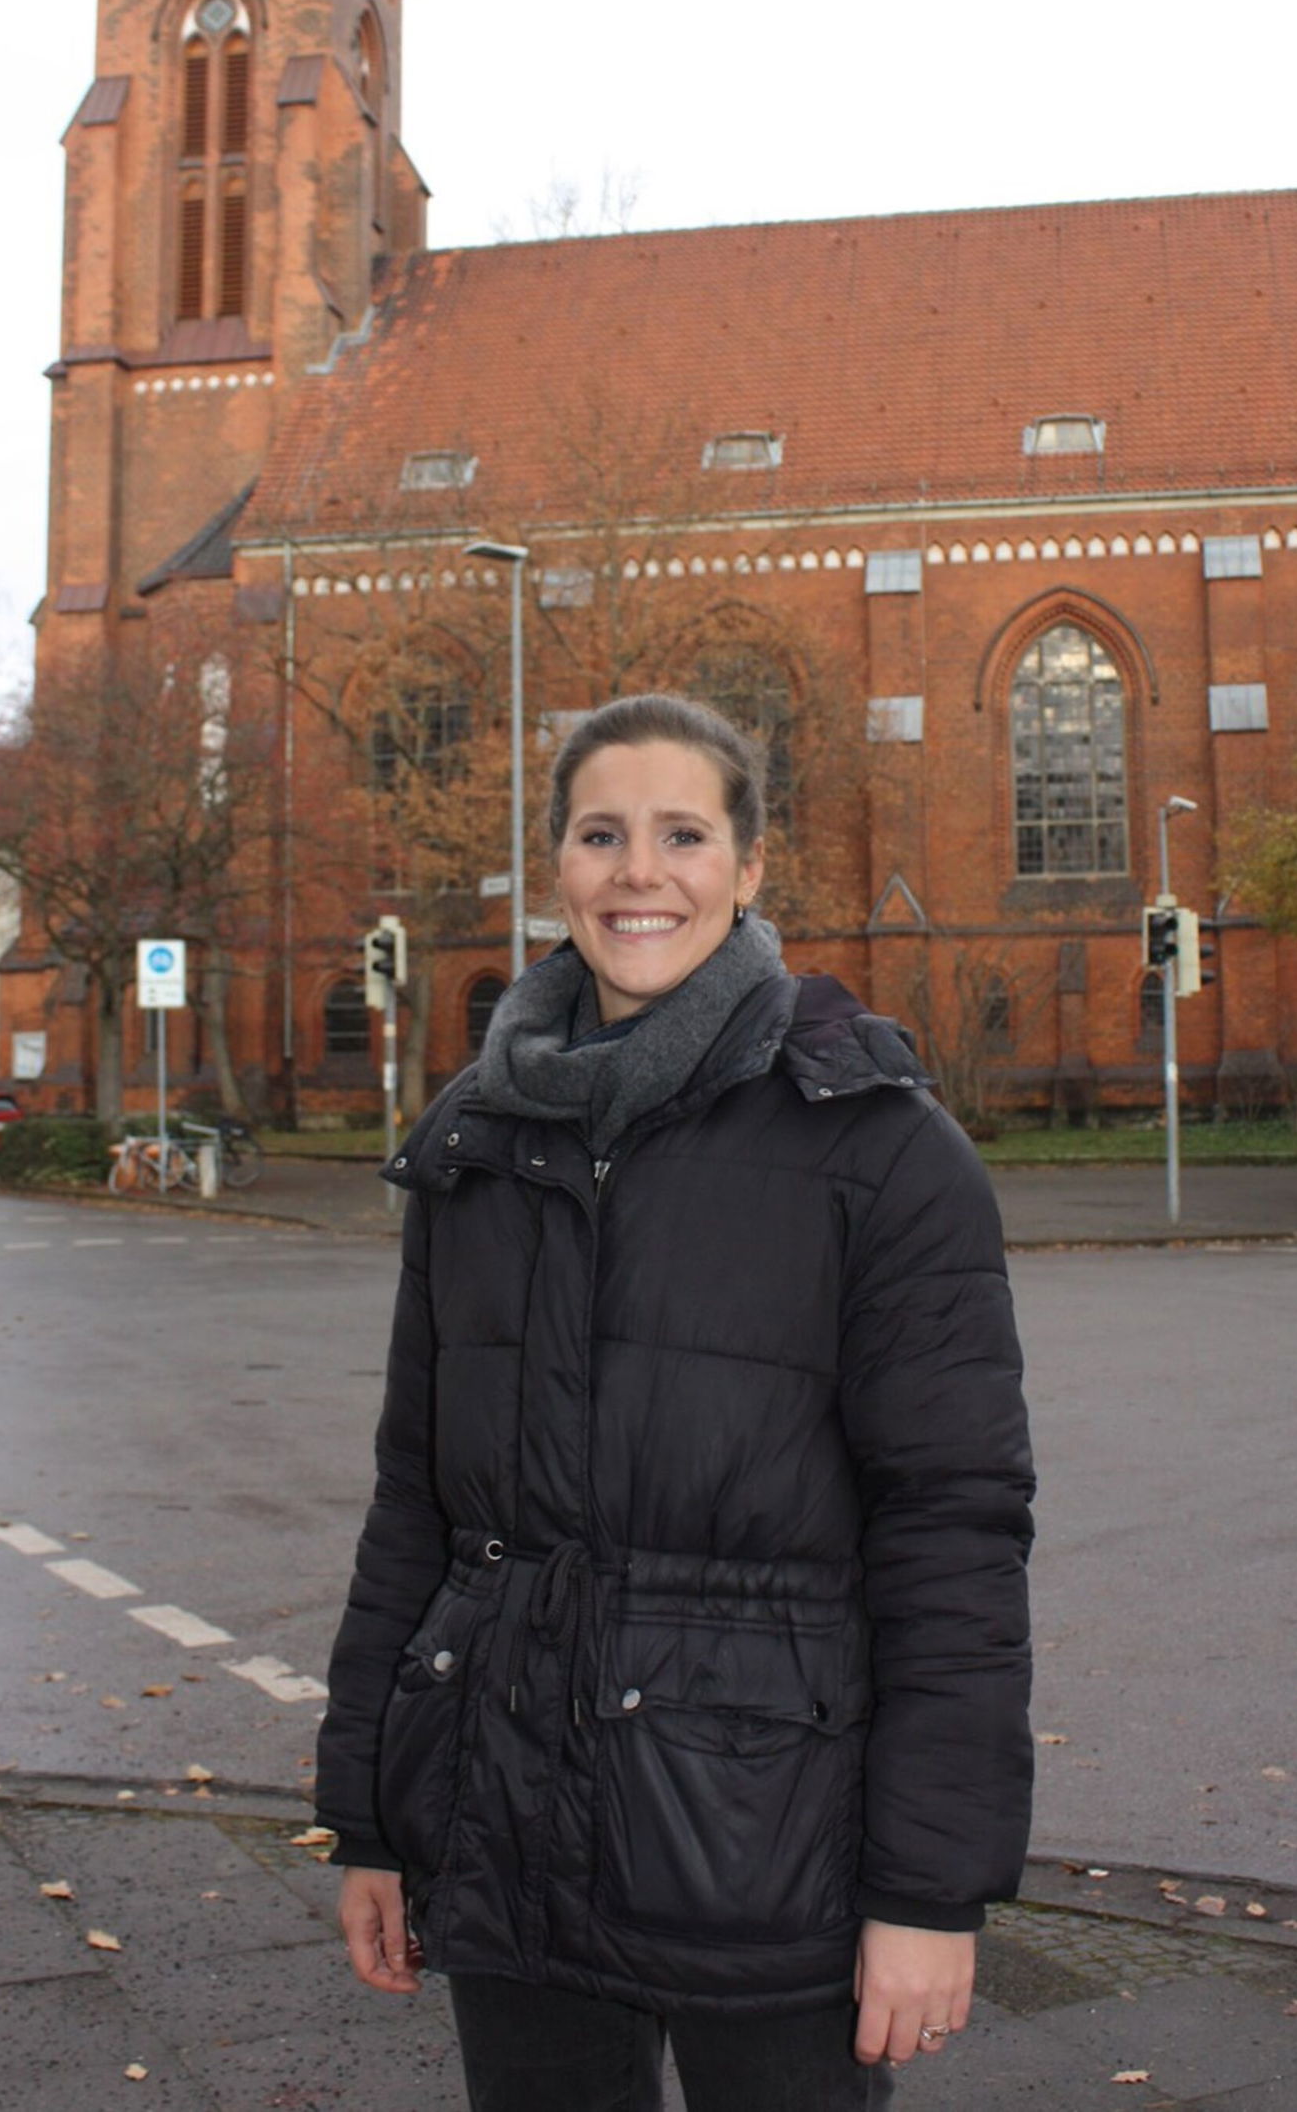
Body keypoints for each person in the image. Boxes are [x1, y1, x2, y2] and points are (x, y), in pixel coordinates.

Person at [318, 693, 1035, 2110]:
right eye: (601, 834)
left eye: (682, 833)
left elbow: (951, 1534)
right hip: (509, 1824)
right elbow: (419, 1503)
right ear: (561, 866)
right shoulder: (476, 1143)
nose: (639, 872)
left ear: (749, 866)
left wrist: (929, 1895)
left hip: (767, 1853)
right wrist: (372, 1822)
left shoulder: (880, 1148)